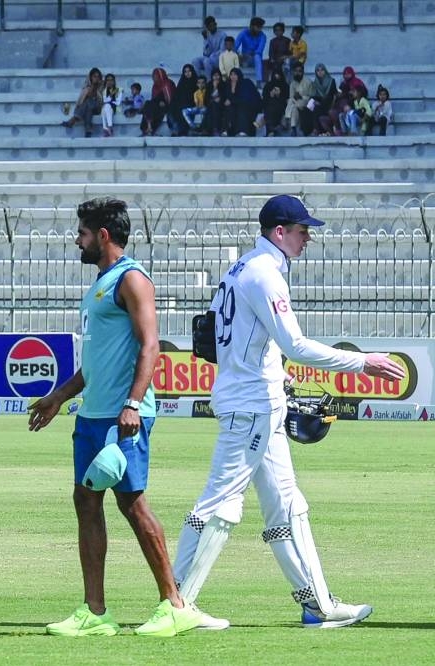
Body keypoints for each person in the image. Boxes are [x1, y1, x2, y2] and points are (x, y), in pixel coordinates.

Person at [172, 195, 407, 629]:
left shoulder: (244, 266)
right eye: (302, 230)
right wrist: (363, 361)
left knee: (288, 506)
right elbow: (295, 344)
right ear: (279, 232)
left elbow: (233, 338)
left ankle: (318, 605)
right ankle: (175, 602)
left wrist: (274, 372)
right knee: (220, 504)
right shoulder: (264, 274)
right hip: (250, 405)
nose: (307, 237)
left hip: (258, 398)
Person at [27, 198, 225, 638]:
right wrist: (58, 397)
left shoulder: (132, 279)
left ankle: (175, 604)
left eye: (82, 232)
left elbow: (150, 345)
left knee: (132, 504)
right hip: (92, 415)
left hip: (123, 416)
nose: (76, 239)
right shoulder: (101, 284)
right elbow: (96, 361)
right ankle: (95, 613)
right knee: (86, 501)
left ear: (102, 235)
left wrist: (134, 403)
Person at [63, 67, 104, 137]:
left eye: (98, 76)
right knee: (88, 106)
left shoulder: (102, 85)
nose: (96, 78)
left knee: (88, 103)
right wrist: (93, 85)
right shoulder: (87, 86)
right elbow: (86, 96)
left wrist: (96, 85)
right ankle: (88, 131)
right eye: (94, 76)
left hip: (98, 108)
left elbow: (97, 98)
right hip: (88, 108)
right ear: (90, 77)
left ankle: (73, 119)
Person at [222, 68, 261, 136]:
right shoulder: (229, 85)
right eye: (231, 75)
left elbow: (245, 99)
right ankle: (227, 131)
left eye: (235, 74)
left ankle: (243, 131)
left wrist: (232, 100)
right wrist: (232, 89)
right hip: (237, 106)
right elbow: (228, 99)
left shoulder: (245, 82)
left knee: (241, 109)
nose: (233, 76)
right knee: (229, 109)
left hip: (250, 106)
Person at [301, 63, 336, 136]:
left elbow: (331, 95)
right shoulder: (315, 83)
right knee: (306, 110)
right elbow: (313, 95)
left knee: (316, 109)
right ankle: (306, 132)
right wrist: (313, 102)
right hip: (317, 102)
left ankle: (316, 130)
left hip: (327, 104)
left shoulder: (331, 81)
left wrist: (320, 102)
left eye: (322, 70)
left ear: (325, 71)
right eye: (318, 70)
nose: (320, 72)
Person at [140, 67, 175, 136]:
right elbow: (154, 98)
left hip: (169, 105)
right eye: (153, 76)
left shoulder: (167, 84)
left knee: (150, 106)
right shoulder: (155, 85)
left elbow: (170, 99)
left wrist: (163, 103)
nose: (153, 78)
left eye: (155, 76)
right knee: (148, 104)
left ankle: (149, 128)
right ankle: (148, 127)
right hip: (157, 105)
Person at [192, 15, 227, 80]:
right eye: (208, 27)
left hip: (219, 59)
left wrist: (211, 56)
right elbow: (206, 53)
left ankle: (209, 82)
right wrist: (205, 39)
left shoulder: (223, 34)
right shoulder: (207, 35)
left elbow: (222, 51)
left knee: (206, 61)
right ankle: (198, 81)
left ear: (215, 24)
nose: (210, 28)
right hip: (209, 59)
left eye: (212, 25)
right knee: (195, 61)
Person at [168, 64, 199, 136]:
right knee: (172, 108)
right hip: (181, 104)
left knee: (183, 109)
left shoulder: (196, 82)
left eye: (189, 71)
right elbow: (176, 96)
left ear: (192, 72)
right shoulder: (182, 82)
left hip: (192, 104)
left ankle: (182, 131)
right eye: (185, 72)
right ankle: (175, 130)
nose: (187, 73)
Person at [235, 17, 267, 84]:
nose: (260, 29)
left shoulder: (262, 36)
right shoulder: (243, 33)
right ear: (252, 26)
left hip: (255, 60)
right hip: (244, 59)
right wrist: (239, 55)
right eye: (258, 27)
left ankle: (258, 82)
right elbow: (234, 47)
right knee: (232, 55)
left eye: (261, 27)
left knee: (257, 56)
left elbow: (259, 51)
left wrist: (249, 55)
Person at [284, 62, 313, 135]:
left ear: (302, 72)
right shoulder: (293, 83)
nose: (297, 73)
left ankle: (286, 118)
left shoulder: (308, 82)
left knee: (294, 104)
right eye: (296, 71)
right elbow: (291, 97)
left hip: (306, 102)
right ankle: (293, 129)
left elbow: (311, 96)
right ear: (293, 72)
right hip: (296, 103)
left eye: (299, 71)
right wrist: (295, 98)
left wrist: (301, 96)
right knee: (293, 107)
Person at [262, 69, 290, 136]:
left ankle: (272, 130)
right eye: (275, 75)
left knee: (274, 108)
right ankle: (271, 130)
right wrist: (270, 95)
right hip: (269, 107)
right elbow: (264, 100)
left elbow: (287, 98)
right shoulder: (268, 86)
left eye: (278, 75)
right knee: (270, 109)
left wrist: (279, 95)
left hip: (282, 106)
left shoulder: (285, 86)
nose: (276, 77)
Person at [99, 73, 121, 137]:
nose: (109, 82)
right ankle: (107, 129)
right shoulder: (104, 91)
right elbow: (103, 101)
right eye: (108, 80)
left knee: (107, 106)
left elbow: (118, 102)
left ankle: (108, 127)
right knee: (104, 109)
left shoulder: (118, 90)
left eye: (111, 80)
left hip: (115, 108)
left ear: (114, 81)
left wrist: (109, 100)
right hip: (106, 109)